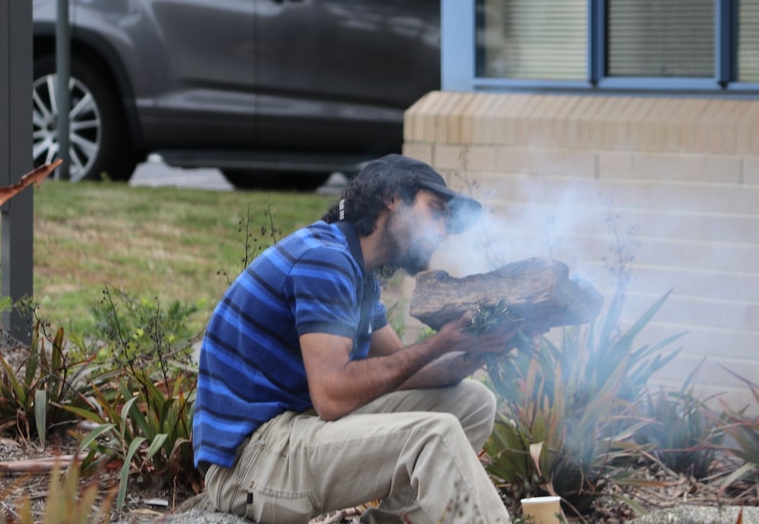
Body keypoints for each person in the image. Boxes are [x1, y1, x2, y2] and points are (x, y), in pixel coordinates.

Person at [192, 154, 520, 524]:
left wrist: (471, 353)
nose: (443, 230)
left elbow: (401, 375)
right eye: (436, 211)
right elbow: (332, 396)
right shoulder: (324, 261)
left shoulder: (358, 274)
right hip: (252, 463)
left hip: (294, 435)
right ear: (392, 197)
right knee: (435, 434)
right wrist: (437, 343)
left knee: (473, 403)